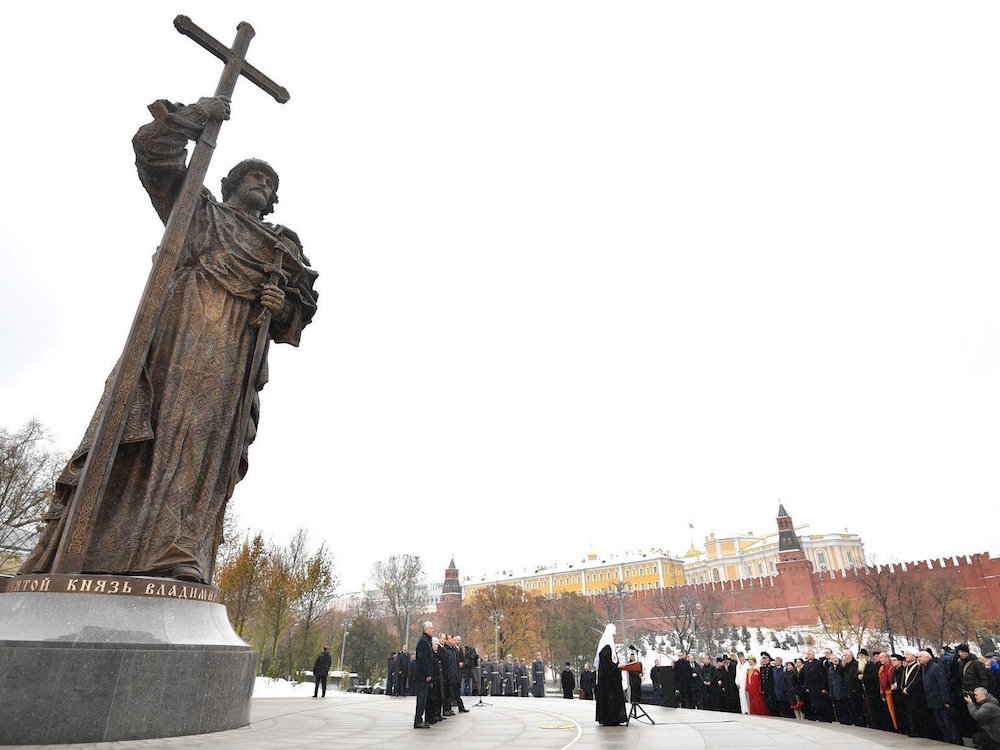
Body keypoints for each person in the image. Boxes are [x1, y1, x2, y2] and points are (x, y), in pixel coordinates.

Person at [20, 95, 318, 584]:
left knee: (201, 443)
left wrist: (276, 301)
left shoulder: (278, 245)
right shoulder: (197, 210)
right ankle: (94, 544)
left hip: (230, 353)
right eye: (255, 176)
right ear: (231, 183)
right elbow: (154, 154)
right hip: (173, 338)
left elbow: (294, 316)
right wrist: (197, 116)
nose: (263, 185)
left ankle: (175, 546)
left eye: (271, 183)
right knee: (142, 430)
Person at [920, 649, 962, 744]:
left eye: (920, 656)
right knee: (941, 724)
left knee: (949, 723)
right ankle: (948, 740)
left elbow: (942, 685)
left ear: (927, 657)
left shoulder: (936, 667)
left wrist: (946, 700)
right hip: (933, 701)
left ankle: (956, 742)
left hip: (941, 700)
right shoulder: (925, 668)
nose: (919, 659)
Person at [594, 624, 627, 726]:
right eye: (613, 635)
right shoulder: (606, 647)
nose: (614, 637)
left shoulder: (609, 646)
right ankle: (610, 719)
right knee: (610, 699)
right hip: (608, 681)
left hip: (612, 679)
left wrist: (618, 664)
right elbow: (607, 664)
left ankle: (614, 718)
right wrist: (617, 666)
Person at [414, 622, 435, 729]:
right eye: (431, 628)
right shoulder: (423, 642)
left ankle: (420, 719)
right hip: (422, 676)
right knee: (421, 698)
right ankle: (418, 720)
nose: (433, 630)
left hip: (424, 675)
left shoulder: (427, 640)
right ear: (426, 629)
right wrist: (428, 674)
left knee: (424, 698)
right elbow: (423, 659)